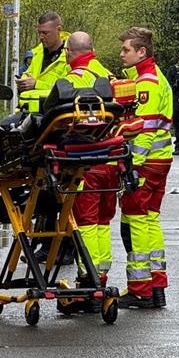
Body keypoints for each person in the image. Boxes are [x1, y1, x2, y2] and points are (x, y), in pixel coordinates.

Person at [117, 26, 173, 309]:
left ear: (142, 52)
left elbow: (146, 129)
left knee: (136, 222)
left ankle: (140, 289)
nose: (121, 54)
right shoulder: (156, 77)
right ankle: (156, 283)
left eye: (126, 49)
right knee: (150, 220)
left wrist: (132, 167)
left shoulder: (147, 82)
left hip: (146, 163)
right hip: (160, 161)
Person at [64, 32, 117, 285]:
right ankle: (101, 274)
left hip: (86, 162)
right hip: (111, 160)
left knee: (85, 221)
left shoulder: (73, 79)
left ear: (69, 52)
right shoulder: (106, 75)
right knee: (103, 222)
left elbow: (64, 120)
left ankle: (88, 277)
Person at [13, 11, 69, 117]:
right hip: (31, 114)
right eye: (39, 33)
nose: (41, 37)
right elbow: (29, 74)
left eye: (45, 33)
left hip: (56, 116)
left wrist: (36, 84)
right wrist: (23, 83)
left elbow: (66, 90)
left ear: (59, 30)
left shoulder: (69, 56)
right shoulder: (37, 53)